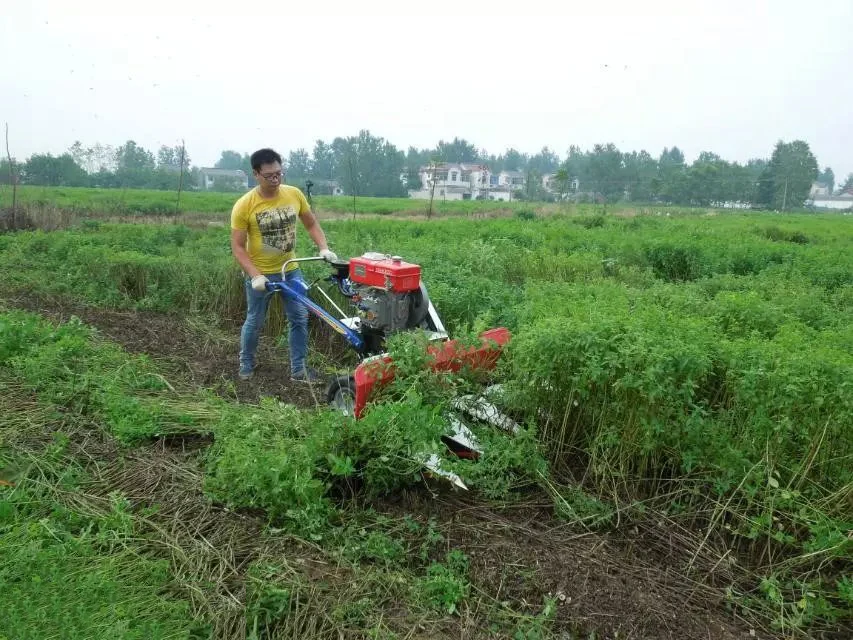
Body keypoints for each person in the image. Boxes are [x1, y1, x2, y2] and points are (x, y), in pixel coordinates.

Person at [230, 148, 337, 382]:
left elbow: (311, 224)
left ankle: (298, 370)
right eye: (269, 175)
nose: (276, 179)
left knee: (299, 318)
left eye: (279, 173)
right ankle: (246, 363)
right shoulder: (244, 205)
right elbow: (238, 246)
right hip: (261, 275)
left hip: (290, 268)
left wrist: (323, 248)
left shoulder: (294, 194)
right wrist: (255, 275)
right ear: (256, 174)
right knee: (255, 321)